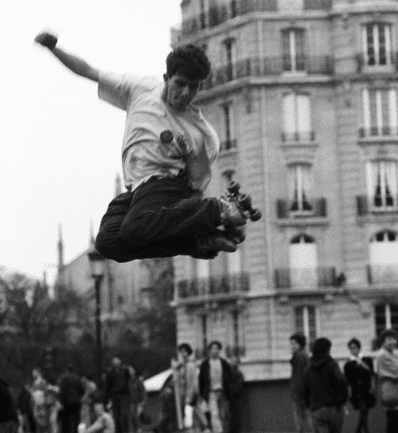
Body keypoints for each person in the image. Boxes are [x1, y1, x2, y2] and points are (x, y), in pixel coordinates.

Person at [34, 33, 252, 262]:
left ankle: (219, 209)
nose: (185, 93)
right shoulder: (140, 90)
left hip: (166, 187)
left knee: (135, 228)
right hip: (136, 188)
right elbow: (87, 70)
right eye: (180, 84)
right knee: (108, 243)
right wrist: (53, 48)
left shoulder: (201, 134)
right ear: (167, 77)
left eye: (193, 87)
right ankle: (198, 242)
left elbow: (196, 186)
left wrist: (205, 215)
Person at [304, 337, 348, 433]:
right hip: (336, 409)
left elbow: (305, 392)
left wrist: (310, 407)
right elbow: (342, 382)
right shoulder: (332, 365)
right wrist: (343, 400)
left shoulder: (308, 369)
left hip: (317, 410)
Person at [199, 341, 231, 433]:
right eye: (213, 348)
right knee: (214, 414)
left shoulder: (224, 363)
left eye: (217, 348)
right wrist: (202, 395)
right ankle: (218, 432)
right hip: (211, 392)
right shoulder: (205, 364)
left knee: (222, 414)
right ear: (209, 351)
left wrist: (229, 390)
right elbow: (201, 380)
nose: (215, 350)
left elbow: (229, 377)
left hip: (222, 391)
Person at [173, 343, 205, 433]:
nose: (183, 354)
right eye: (181, 352)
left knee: (190, 418)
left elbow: (192, 382)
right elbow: (178, 380)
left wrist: (190, 396)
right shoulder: (182, 365)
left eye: (185, 351)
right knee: (192, 417)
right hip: (184, 394)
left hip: (190, 395)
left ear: (188, 352)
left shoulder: (190, 365)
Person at [343, 338, 375, 433]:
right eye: (351, 348)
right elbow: (347, 379)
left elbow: (372, 373)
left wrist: (372, 385)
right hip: (356, 389)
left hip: (367, 388)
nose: (353, 350)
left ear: (359, 348)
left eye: (355, 347)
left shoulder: (367, 359)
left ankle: (358, 430)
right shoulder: (348, 363)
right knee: (362, 410)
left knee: (365, 412)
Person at [289, 333, 312, 433]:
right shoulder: (304, 355)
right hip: (304, 390)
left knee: (301, 416)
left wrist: (297, 392)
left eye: (294, 343)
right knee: (307, 415)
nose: (292, 346)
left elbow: (298, 376)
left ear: (300, 344)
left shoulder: (299, 356)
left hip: (299, 392)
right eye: (291, 344)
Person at [105, 357, 131, 433]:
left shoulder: (125, 370)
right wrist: (108, 397)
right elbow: (107, 385)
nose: (116, 364)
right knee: (116, 415)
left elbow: (129, 379)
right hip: (114, 395)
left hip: (124, 394)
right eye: (114, 362)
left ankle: (126, 432)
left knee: (124, 414)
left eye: (117, 362)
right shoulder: (110, 372)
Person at [59, 364, 85, 433]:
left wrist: (61, 401)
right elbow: (82, 390)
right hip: (76, 401)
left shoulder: (64, 378)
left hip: (67, 401)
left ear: (66, 370)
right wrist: (79, 397)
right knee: (76, 418)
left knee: (67, 418)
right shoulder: (77, 378)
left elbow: (62, 391)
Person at [227, 356, 245, 433]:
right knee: (232, 412)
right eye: (231, 361)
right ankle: (233, 430)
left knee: (234, 413)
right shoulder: (235, 372)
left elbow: (239, 384)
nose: (232, 362)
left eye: (234, 361)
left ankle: (234, 430)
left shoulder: (237, 372)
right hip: (232, 395)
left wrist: (232, 390)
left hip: (234, 395)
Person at [128, 366, 146, 433]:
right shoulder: (127, 381)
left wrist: (143, 401)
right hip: (130, 402)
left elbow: (143, 391)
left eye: (131, 370)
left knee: (136, 416)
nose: (130, 371)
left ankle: (139, 431)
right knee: (132, 417)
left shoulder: (138, 381)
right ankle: (136, 431)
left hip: (137, 402)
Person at [31, 368, 49, 433]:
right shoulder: (34, 383)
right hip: (36, 403)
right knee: (37, 419)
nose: (33, 375)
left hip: (42, 403)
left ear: (38, 373)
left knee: (43, 419)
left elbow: (46, 392)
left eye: (34, 373)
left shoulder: (43, 382)